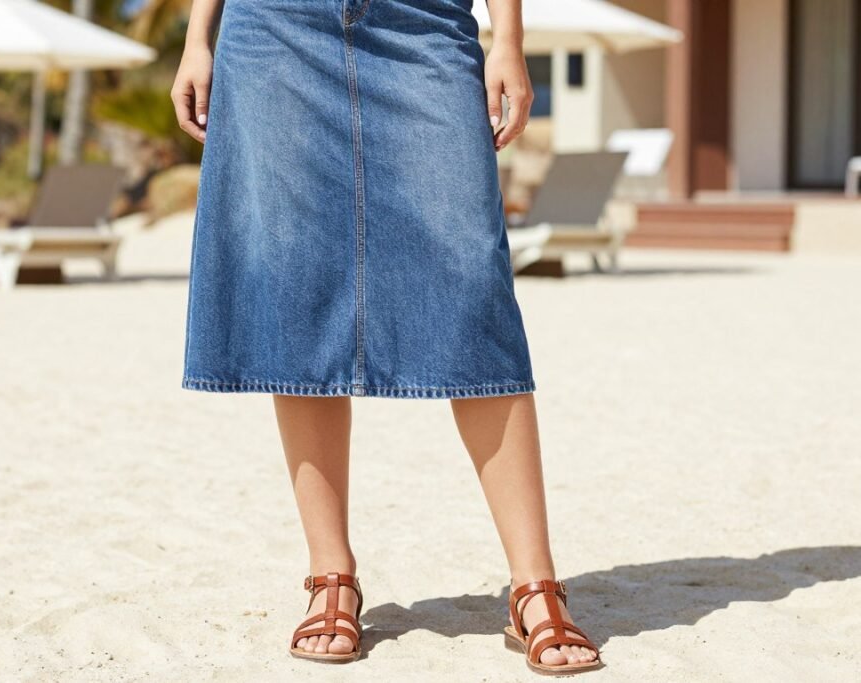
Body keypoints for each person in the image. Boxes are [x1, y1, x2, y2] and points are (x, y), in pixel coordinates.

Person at [171, 0, 601, 675]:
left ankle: (534, 581)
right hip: (276, 26)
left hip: (423, 22)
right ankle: (330, 573)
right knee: (299, 283)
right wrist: (199, 37)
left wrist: (509, 38)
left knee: (471, 283)